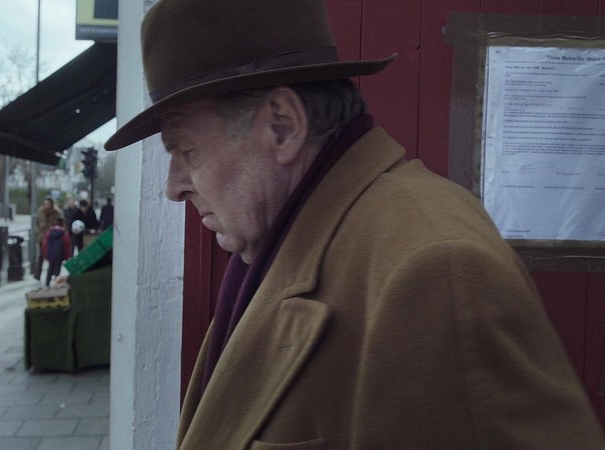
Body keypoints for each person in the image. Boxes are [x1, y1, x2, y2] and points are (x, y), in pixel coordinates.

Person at [103, 0, 605, 448]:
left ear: (283, 125)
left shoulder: (437, 272)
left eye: (186, 151)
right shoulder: (291, 240)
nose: (174, 187)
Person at [33, 197, 62, 281]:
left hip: (52, 238)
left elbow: (61, 224)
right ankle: (37, 274)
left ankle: (51, 275)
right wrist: (38, 232)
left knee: (51, 257)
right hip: (42, 237)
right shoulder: (40, 211)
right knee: (41, 256)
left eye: (48, 204)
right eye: (45, 203)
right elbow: (36, 223)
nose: (47, 205)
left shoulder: (57, 213)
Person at [41, 217, 71, 286]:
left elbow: (45, 244)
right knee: (57, 270)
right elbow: (67, 246)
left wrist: (45, 254)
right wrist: (67, 256)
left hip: (50, 254)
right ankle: (56, 284)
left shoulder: (49, 232)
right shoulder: (64, 233)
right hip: (60, 255)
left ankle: (47, 284)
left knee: (50, 269)